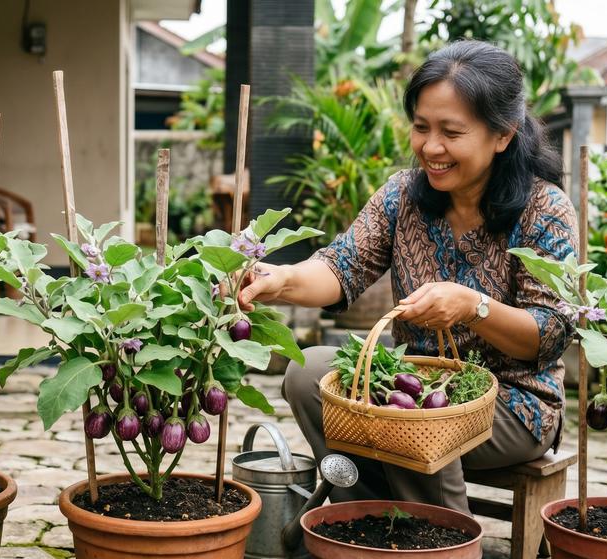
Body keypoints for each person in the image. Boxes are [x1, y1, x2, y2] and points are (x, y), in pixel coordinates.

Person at [239, 40, 577, 525]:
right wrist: (279, 277)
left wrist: (473, 306)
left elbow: (549, 335)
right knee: (309, 373)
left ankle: (447, 540)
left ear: (503, 135)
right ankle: (370, 516)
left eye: (451, 132)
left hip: (511, 404)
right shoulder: (403, 196)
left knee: (417, 414)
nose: (431, 147)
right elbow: (341, 266)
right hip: (410, 384)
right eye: (421, 127)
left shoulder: (545, 211)